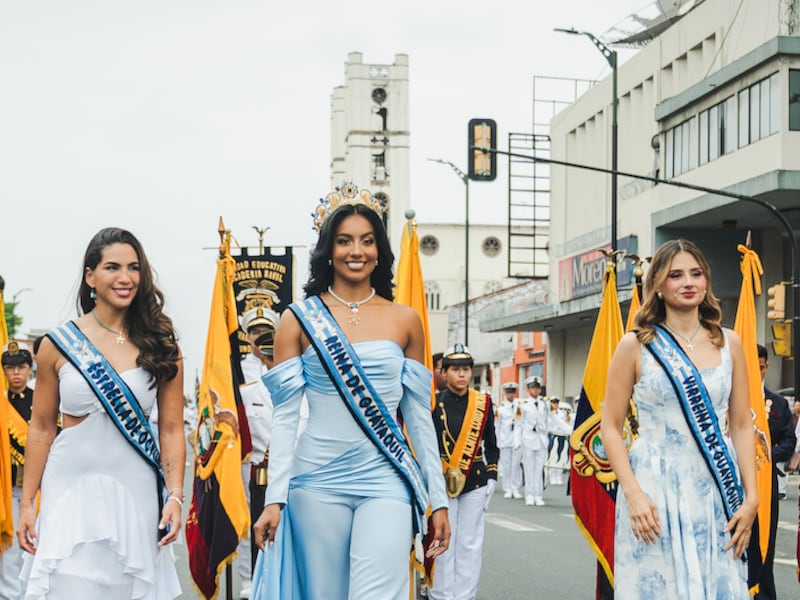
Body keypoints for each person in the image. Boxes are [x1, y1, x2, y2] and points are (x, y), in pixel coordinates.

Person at [251, 180, 449, 600]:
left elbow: (418, 417)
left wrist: (439, 499)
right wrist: (274, 498)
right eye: (344, 241)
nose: (356, 251)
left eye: (367, 240)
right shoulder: (298, 319)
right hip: (315, 480)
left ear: (380, 250)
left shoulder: (406, 320)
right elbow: (286, 417)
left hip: (387, 478)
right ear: (328, 249)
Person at [17, 227, 185, 599]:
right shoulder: (58, 344)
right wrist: (28, 503)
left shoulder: (161, 345)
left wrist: (174, 496)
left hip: (135, 492)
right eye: (112, 267)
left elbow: (172, 429)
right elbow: (42, 427)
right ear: (90, 276)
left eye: (134, 268)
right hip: (69, 489)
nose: (125, 278)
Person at [600, 238, 757, 598]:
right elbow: (611, 426)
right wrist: (633, 493)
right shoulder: (635, 345)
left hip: (714, 485)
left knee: (718, 581)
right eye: (676, 275)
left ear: (707, 281)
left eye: (696, 273)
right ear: (658, 285)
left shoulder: (728, 343)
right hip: (653, 486)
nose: (689, 282)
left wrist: (751, 498)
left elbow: (742, 424)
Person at [429, 344, 498, 600]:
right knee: (442, 540)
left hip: (475, 481)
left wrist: (491, 475)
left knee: (470, 544)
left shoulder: (483, 403)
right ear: (444, 373)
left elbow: (492, 444)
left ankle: (465, 596)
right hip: (442, 480)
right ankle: (441, 594)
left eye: (466, 370)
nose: (462, 375)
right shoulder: (435, 403)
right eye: (456, 369)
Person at [236, 305, 278, 599]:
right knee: (246, 524)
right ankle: (248, 583)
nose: (260, 336)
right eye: (254, 331)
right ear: (246, 335)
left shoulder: (289, 362)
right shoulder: (236, 369)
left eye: (266, 331)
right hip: (250, 461)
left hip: (285, 462)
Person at [748, 344, 795, 600]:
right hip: (735, 485)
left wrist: (766, 456)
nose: (757, 372)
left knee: (765, 544)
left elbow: (789, 441)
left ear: (766, 367)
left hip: (766, 485)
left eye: (761, 367)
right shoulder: (731, 400)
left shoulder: (777, 404)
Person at [1, 341, 34, 599]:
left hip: (37, 492)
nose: (15, 373)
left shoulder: (41, 401)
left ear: (30, 369)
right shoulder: (1, 405)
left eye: (21, 367)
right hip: (8, 490)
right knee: (10, 553)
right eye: (9, 368)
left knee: (35, 552)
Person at [520, 375, 548, 506]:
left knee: (539, 469)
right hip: (528, 439)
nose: (535, 390)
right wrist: (517, 442)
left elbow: (554, 419)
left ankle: (539, 495)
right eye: (533, 388)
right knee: (529, 468)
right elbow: (519, 424)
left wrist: (570, 430)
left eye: (537, 388)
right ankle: (529, 494)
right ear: (528, 389)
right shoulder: (523, 405)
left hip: (541, 439)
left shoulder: (545, 404)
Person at [495, 381, 522, 498]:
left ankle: (515, 487)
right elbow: (497, 426)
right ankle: (507, 488)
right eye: (509, 393)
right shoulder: (500, 409)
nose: (511, 395)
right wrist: (498, 442)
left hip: (517, 440)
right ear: (505, 394)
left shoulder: (519, 407)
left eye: (513, 393)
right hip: (505, 440)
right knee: (507, 466)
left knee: (516, 465)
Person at [545, 396, 571, 485]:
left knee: (561, 456)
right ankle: (552, 476)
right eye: (553, 402)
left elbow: (565, 424)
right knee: (552, 456)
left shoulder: (562, 413)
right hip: (551, 435)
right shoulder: (547, 413)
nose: (555, 404)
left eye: (556, 402)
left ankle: (558, 476)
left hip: (561, 436)